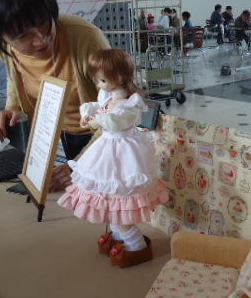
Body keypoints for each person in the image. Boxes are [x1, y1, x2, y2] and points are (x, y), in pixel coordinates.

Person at [0, 0, 110, 191]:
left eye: (44, 22)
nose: (41, 40)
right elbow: (15, 75)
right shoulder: (7, 48)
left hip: (102, 139)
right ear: (1, 39)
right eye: (23, 35)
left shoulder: (86, 39)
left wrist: (81, 165)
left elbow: (118, 113)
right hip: (59, 139)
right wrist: (13, 106)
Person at [57, 49, 168, 267]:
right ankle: (118, 235)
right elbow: (96, 107)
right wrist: (88, 113)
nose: (99, 85)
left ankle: (136, 245)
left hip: (123, 151)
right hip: (106, 149)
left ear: (118, 78)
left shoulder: (130, 103)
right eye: (97, 80)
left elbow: (116, 122)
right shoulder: (107, 96)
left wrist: (96, 120)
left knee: (119, 196)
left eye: (102, 80)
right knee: (108, 198)